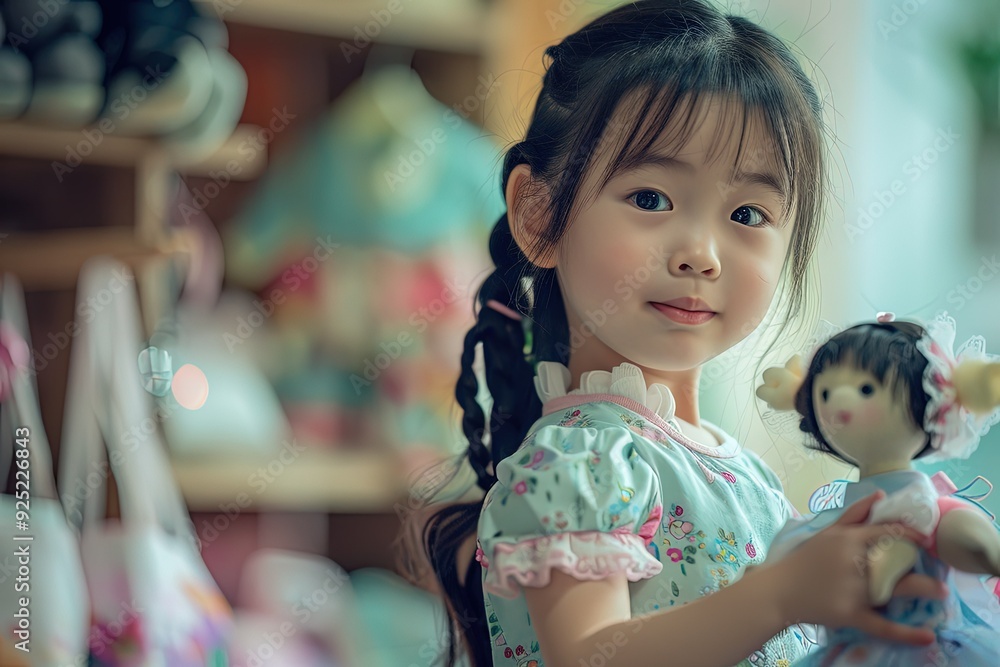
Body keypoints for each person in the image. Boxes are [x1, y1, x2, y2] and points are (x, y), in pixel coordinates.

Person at [410, 1, 948, 665]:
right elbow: (590, 654)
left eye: (748, 212)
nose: (702, 253)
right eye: (650, 198)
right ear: (539, 215)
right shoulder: (582, 462)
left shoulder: (742, 471)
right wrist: (781, 596)